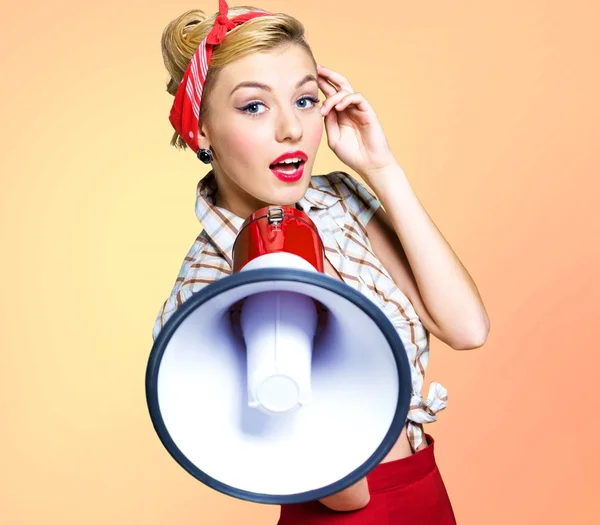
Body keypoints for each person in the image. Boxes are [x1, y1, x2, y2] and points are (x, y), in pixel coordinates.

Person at [154, 1, 490, 523]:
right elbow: (344, 489)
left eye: (305, 99)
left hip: (423, 490)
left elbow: (466, 328)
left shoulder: (339, 202)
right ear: (200, 130)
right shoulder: (206, 290)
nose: (291, 128)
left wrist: (381, 167)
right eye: (254, 107)